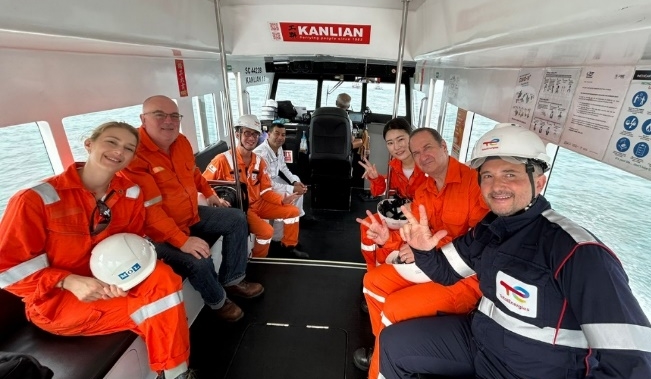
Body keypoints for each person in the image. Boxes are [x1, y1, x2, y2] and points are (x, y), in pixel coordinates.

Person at [379, 123, 651, 379]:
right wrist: (424, 250)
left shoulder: (578, 252)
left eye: (510, 174)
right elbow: (446, 272)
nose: (497, 186)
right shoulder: (489, 230)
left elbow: (633, 362)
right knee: (393, 343)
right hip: (479, 343)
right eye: (488, 176)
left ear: (539, 182)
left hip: (531, 369)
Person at [0, 122, 195, 379]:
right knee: (161, 306)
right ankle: (176, 374)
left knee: (164, 278)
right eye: (111, 142)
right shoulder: (35, 200)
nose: (119, 151)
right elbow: (7, 269)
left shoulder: (131, 194)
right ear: (89, 144)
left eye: (128, 148)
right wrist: (67, 281)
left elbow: (131, 245)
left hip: (112, 284)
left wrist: (120, 278)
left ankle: (173, 373)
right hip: (58, 301)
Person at [354, 127, 489, 378]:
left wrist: (430, 247)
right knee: (372, 282)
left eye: (428, 147)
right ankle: (382, 344)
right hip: (431, 263)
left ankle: (381, 367)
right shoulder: (424, 190)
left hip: (467, 278)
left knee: (394, 307)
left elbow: (479, 244)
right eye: (416, 153)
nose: (422, 155)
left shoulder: (474, 184)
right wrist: (388, 240)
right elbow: (413, 234)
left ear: (444, 147)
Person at [123, 95, 263, 323]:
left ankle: (233, 279)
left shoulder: (181, 142)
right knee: (199, 259)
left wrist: (210, 194)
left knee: (236, 218)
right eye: (159, 115)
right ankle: (218, 301)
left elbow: (195, 174)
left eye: (174, 116)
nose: (168, 121)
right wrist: (182, 241)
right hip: (156, 233)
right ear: (143, 119)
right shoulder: (134, 156)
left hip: (190, 215)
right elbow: (150, 211)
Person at [203, 114, 308, 259]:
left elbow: (265, 191)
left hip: (260, 202)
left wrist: (281, 200)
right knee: (266, 231)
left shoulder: (259, 161)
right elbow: (203, 184)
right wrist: (215, 198)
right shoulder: (222, 160)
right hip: (243, 209)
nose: (251, 138)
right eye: (247, 133)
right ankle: (259, 259)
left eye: (255, 134)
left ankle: (289, 246)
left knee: (293, 211)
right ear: (237, 134)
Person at [357, 118, 427, 271]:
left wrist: (413, 207)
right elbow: (381, 191)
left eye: (400, 139)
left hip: (422, 219)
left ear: (411, 138)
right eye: (390, 143)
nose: (396, 147)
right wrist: (376, 179)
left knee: (390, 236)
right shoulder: (394, 167)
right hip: (400, 214)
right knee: (368, 225)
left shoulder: (427, 167)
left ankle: (385, 268)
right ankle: (371, 268)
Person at [253, 121, 308, 219]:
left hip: (274, 179)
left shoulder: (278, 147)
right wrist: (292, 188)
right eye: (277, 133)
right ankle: (288, 215)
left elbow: (283, 167)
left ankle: (298, 215)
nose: (280, 138)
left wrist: (294, 182)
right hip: (264, 187)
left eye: (283, 135)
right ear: (269, 135)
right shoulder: (261, 154)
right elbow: (268, 183)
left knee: (297, 179)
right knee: (294, 192)